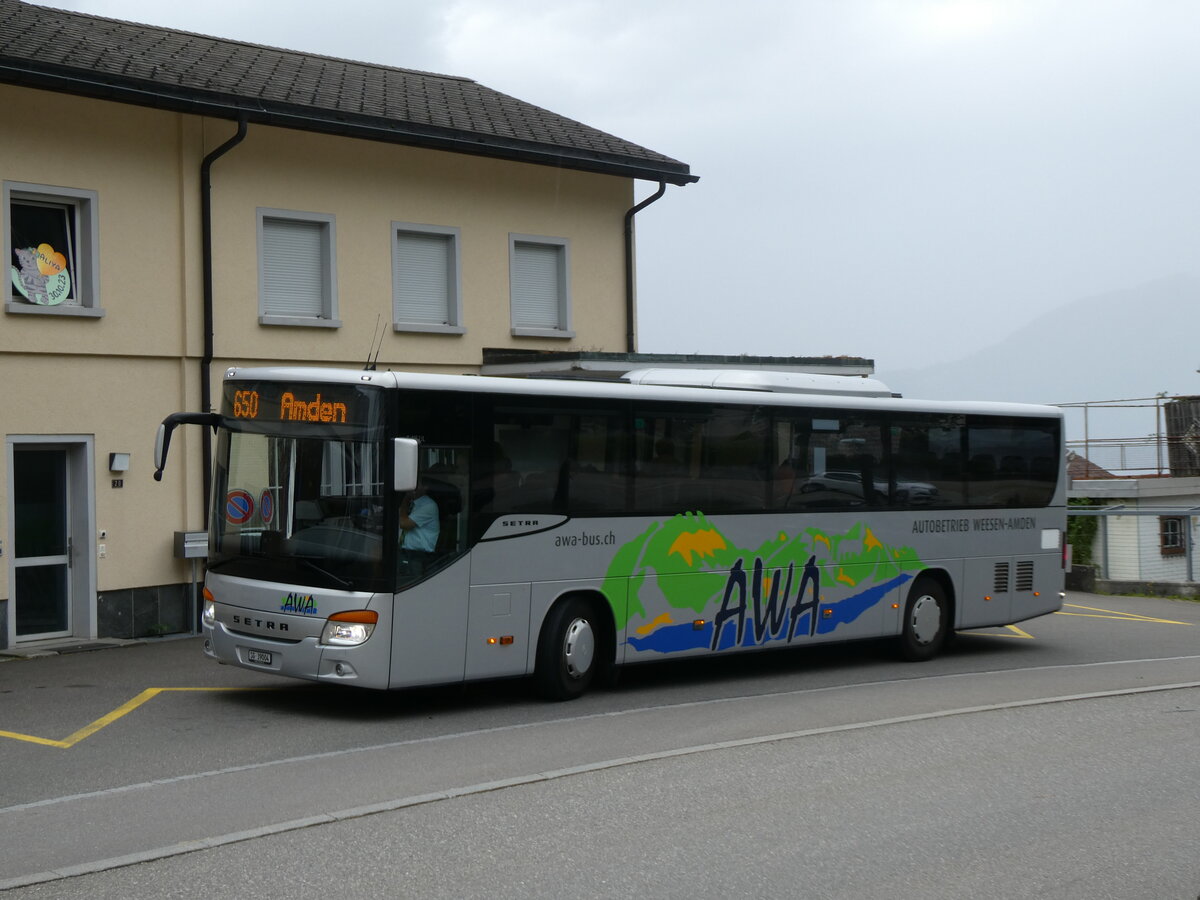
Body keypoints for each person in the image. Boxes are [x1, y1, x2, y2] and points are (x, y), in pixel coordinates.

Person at [399, 478, 440, 555]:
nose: (412, 487)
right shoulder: (413, 503)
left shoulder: (429, 505)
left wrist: (406, 498)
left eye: (416, 484)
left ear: (425, 487)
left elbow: (404, 524)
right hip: (405, 550)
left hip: (419, 554)